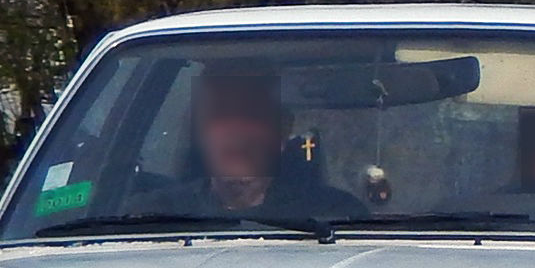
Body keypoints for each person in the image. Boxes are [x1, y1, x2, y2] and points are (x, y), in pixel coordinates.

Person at [127, 67, 365, 218]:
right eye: (221, 117)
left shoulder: (334, 217)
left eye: (252, 118)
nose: (236, 133)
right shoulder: (153, 217)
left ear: (281, 137)